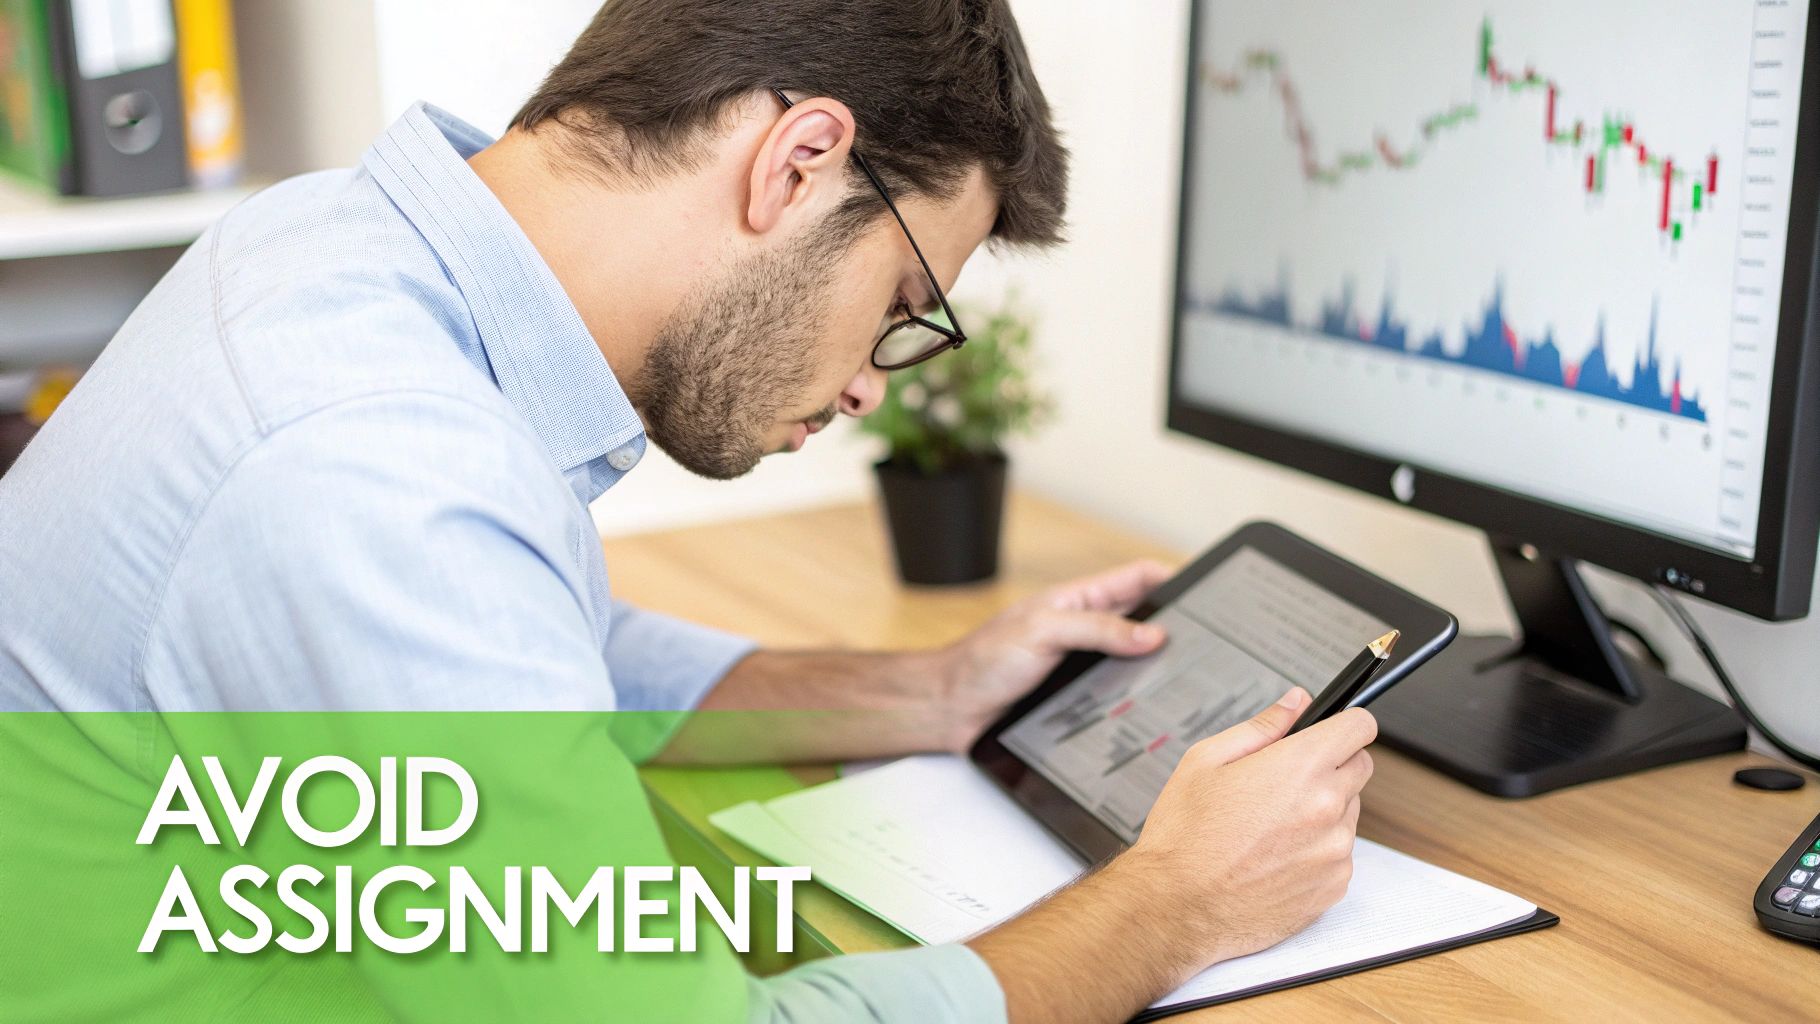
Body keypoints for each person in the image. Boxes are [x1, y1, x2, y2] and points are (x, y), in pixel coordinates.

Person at [0, 1, 1376, 1021]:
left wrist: (928, 692)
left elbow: (544, 652)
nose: (870, 394)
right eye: (905, 310)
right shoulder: (377, 473)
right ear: (795, 163)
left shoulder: (327, 246)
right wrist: (1174, 902)